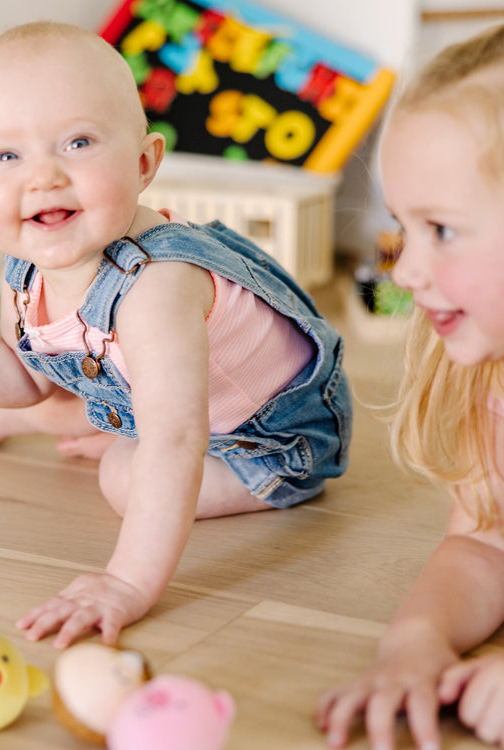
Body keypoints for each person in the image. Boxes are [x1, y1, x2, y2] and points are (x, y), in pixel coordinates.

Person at [0, 21, 351, 649]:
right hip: (161, 398)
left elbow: (174, 440)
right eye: (7, 155)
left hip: (266, 439)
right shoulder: (29, 266)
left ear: (143, 164)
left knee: (120, 473)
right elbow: (20, 373)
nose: (44, 176)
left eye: (78, 142)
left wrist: (127, 583)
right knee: (69, 389)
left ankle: (76, 424)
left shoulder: (157, 289)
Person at [316, 23, 504, 750]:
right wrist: (417, 639)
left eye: (442, 230)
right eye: (403, 228)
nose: (405, 272)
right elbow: (487, 545)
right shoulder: (488, 374)